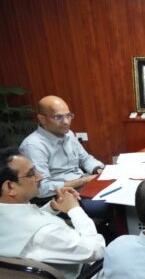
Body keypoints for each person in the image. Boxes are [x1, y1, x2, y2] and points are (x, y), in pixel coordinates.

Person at [0, 147, 105, 279]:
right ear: (10, 187)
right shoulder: (46, 232)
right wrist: (75, 209)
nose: (40, 177)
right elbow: (96, 250)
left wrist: (52, 207)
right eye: (31, 174)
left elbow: (24, 221)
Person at [19, 96, 111, 224]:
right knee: (109, 206)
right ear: (42, 119)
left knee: (119, 196)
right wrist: (85, 180)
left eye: (68, 116)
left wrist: (98, 169)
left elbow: (85, 159)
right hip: (58, 196)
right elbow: (42, 189)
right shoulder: (33, 146)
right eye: (58, 117)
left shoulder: (68, 134)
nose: (66, 122)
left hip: (83, 185)